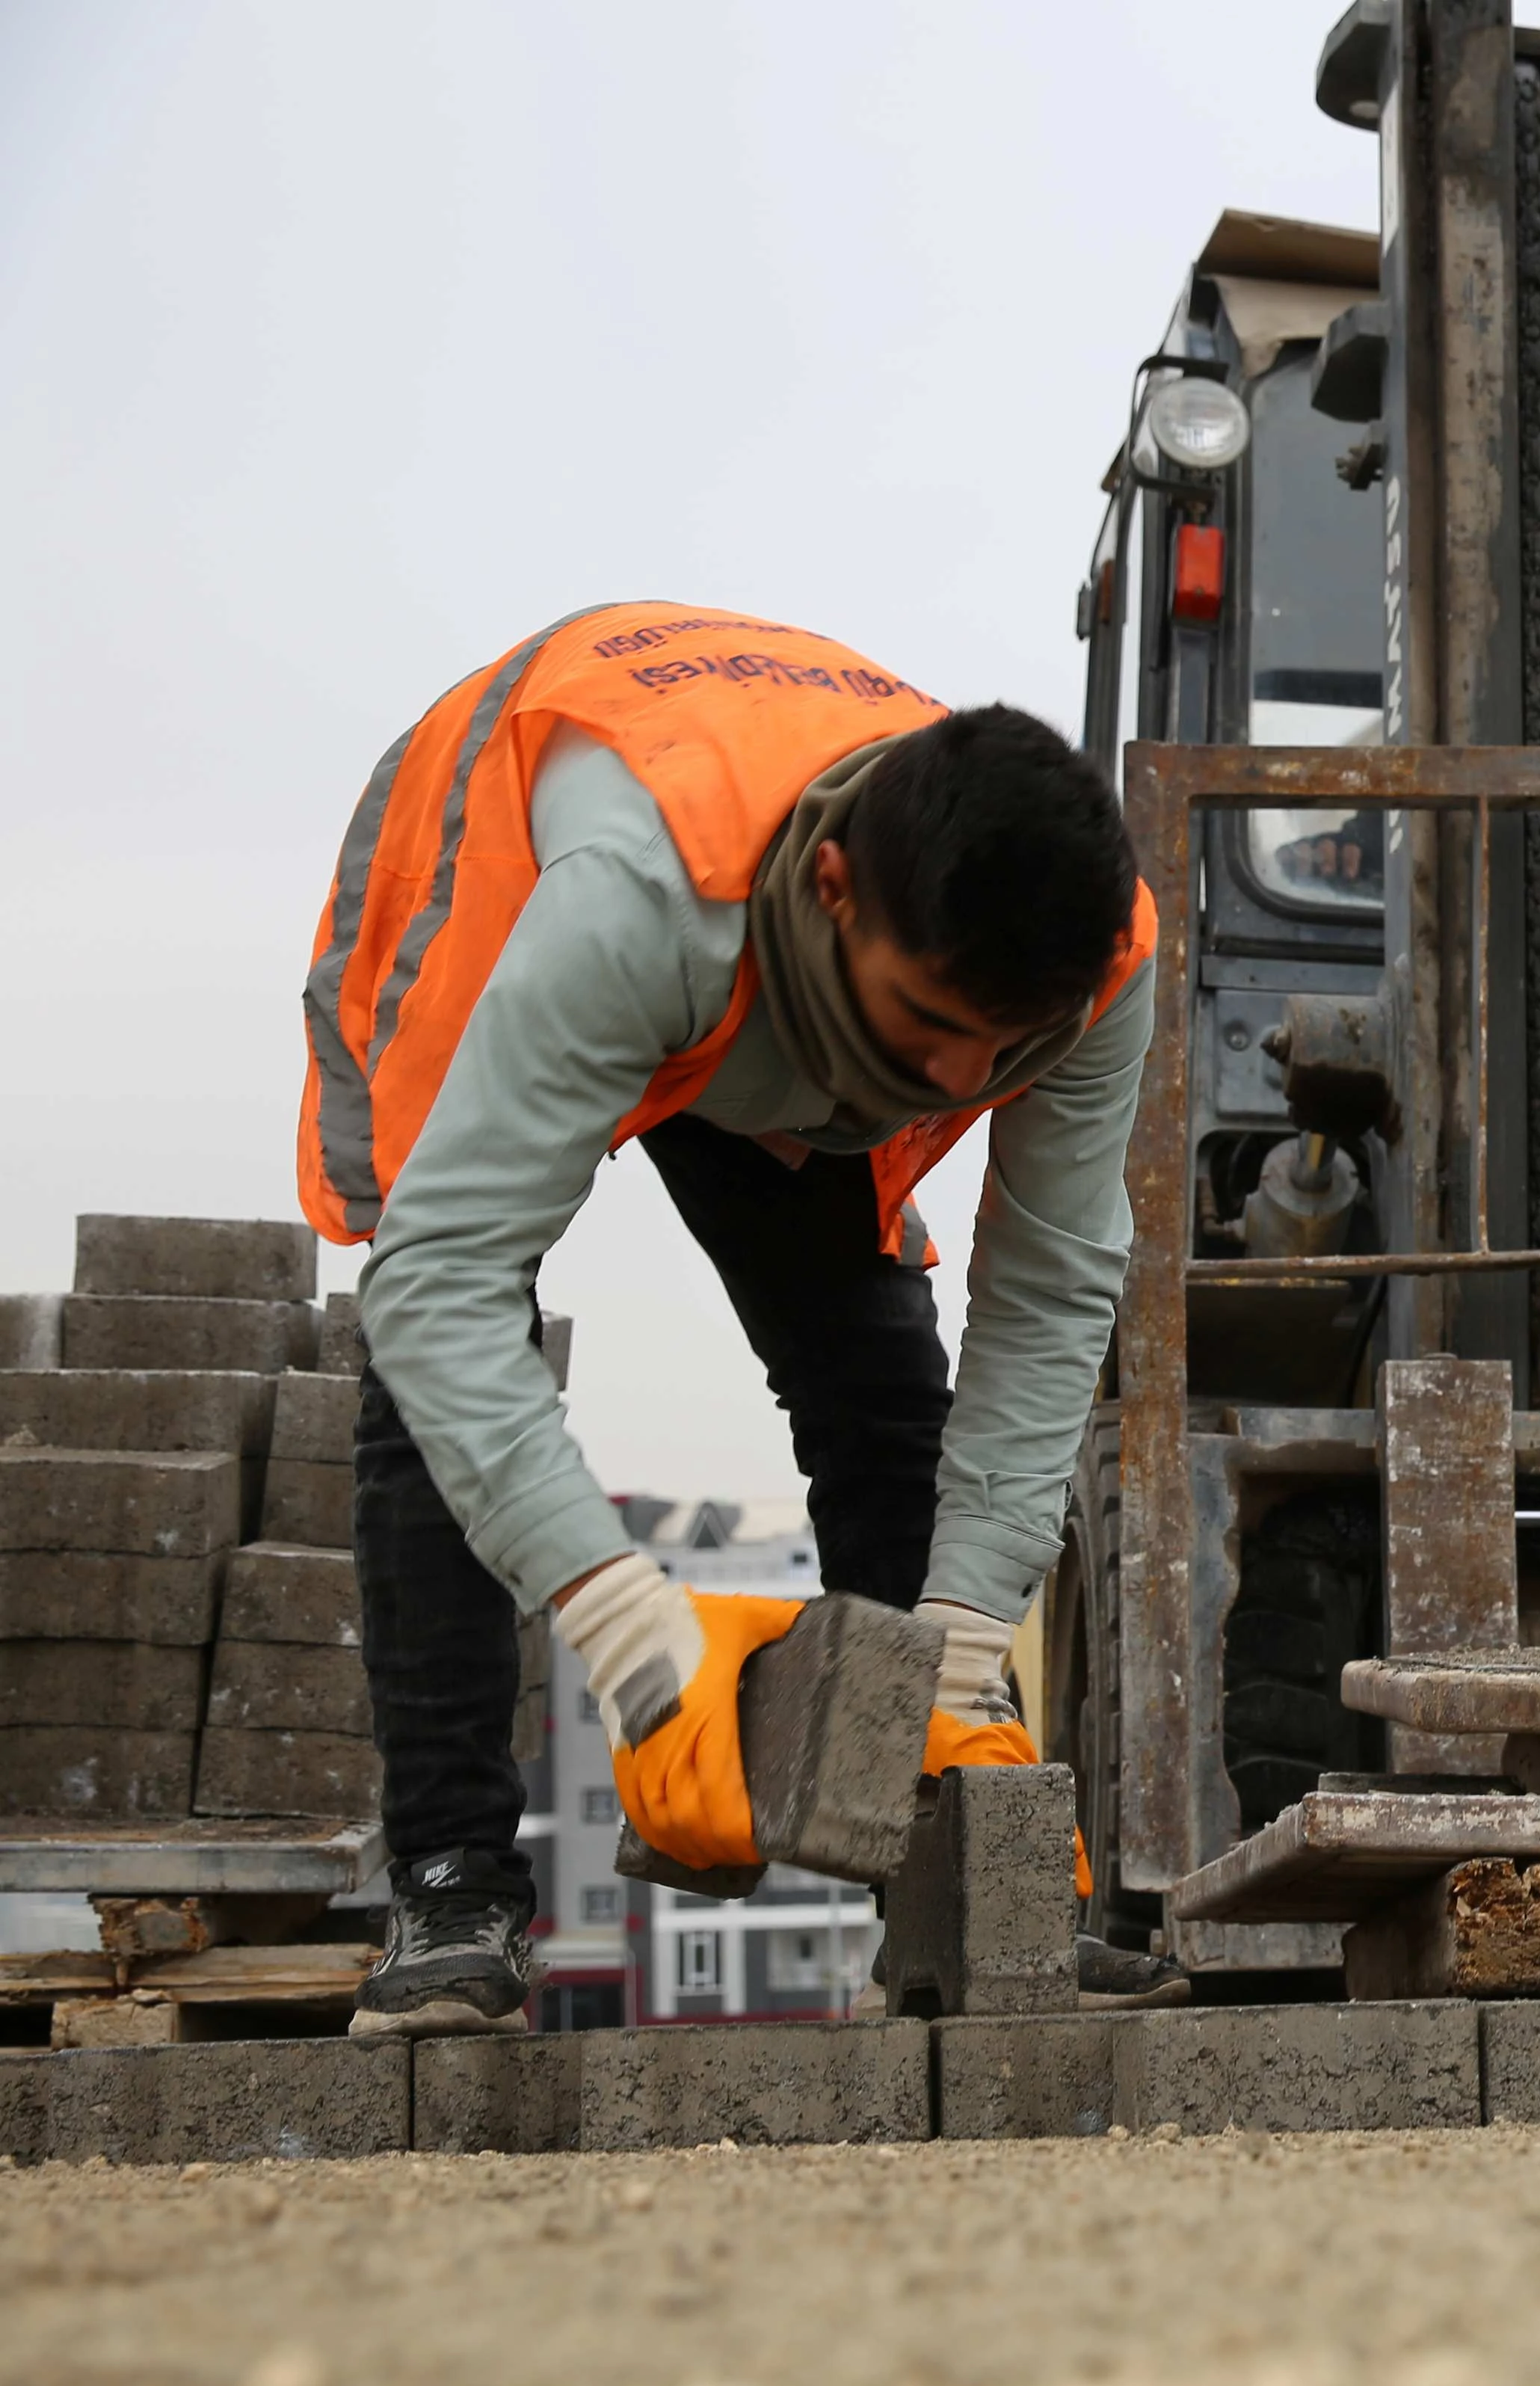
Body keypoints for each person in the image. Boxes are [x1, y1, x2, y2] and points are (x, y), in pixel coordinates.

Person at [298, 603, 1177, 2032]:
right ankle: (452, 1891)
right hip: (517, 856)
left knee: (883, 1385)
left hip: (765, 979)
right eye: (928, 1025)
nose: (961, 1074)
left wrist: (967, 1617)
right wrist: (612, 1606)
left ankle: (968, 1897)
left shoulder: (1095, 964)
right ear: (836, 889)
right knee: (442, 1365)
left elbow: (1052, 1288)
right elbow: (442, 1294)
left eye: (1002, 1047)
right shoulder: (636, 907)